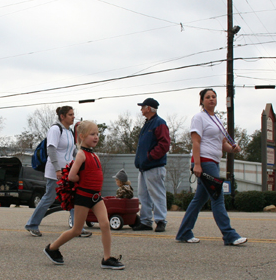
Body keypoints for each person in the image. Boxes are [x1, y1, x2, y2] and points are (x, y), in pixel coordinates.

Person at [43, 121, 124, 269]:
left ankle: (107, 258)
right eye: (92, 134)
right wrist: (80, 179)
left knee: (105, 224)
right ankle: (52, 248)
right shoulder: (81, 154)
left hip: (96, 197)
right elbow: (71, 176)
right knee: (77, 230)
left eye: (97, 134)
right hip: (83, 197)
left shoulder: (95, 155)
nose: (96, 137)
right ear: (82, 136)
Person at [174, 88, 248, 246]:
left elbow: (223, 144)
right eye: (207, 97)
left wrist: (233, 149)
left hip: (213, 161)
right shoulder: (199, 118)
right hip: (204, 161)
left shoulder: (218, 120)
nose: (211, 99)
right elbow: (196, 142)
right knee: (217, 198)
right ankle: (229, 235)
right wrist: (197, 164)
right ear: (201, 101)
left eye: (214, 97)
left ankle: (184, 233)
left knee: (199, 200)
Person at [25, 106, 87, 237]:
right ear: (62, 116)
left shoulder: (69, 131)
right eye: (70, 114)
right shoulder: (55, 129)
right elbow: (51, 150)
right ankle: (32, 224)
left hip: (68, 171)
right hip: (56, 171)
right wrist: (57, 169)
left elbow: (72, 150)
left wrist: (83, 157)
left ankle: (77, 228)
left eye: (73, 114)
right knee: (49, 198)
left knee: (72, 198)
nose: (73, 117)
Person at [133, 97, 170, 232]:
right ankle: (146, 221)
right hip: (144, 167)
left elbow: (164, 145)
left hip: (154, 166)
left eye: (143, 107)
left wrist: (149, 157)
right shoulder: (148, 124)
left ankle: (161, 221)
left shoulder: (159, 123)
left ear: (149, 108)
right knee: (143, 195)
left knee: (157, 194)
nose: (141, 109)